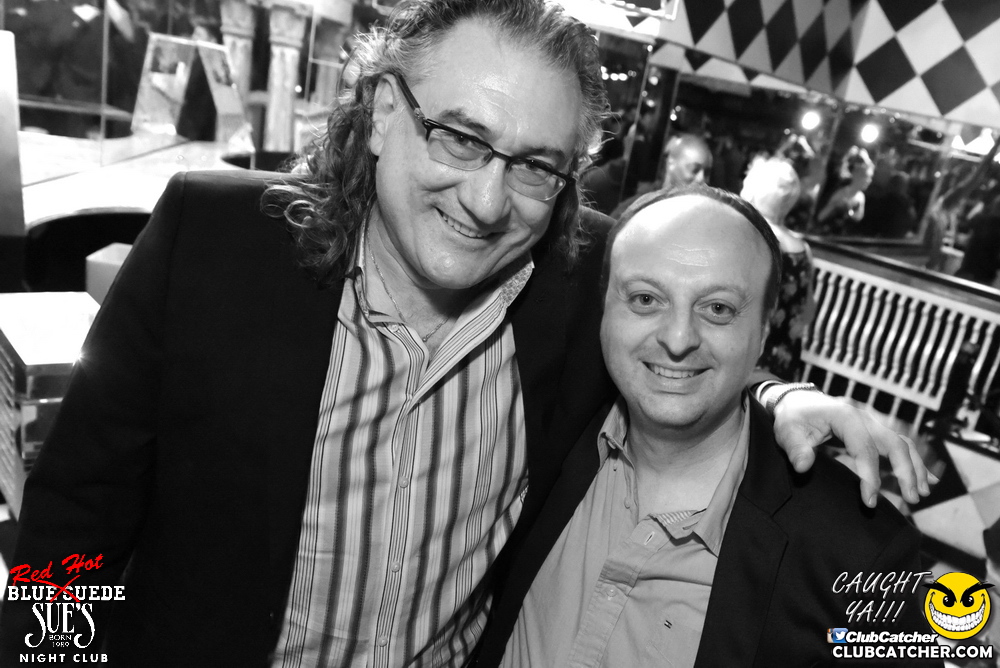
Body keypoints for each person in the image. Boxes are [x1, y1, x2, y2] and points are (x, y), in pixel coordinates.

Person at [0, 0, 928, 665]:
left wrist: (778, 394)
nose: (487, 201)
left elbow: (680, 324)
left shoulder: (575, 281)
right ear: (381, 113)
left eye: (534, 166)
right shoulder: (215, 241)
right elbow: (73, 524)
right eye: (459, 137)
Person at [478, 186, 935, 667]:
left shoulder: (858, 552)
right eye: (645, 299)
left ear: (763, 332)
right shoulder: (553, 411)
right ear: (604, 309)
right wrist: (781, 393)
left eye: (718, 309)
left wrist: (784, 392)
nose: (678, 339)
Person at [740, 156, 815, 381]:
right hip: (786, 363)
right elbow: (808, 312)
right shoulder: (803, 248)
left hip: (750, 360)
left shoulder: (752, 237)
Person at [610, 133, 712, 219]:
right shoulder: (637, 209)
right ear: (671, 164)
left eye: (706, 172)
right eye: (695, 170)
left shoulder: (703, 216)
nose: (701, 178)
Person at [815, 146, 874, 235]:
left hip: (844, 236)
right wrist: (835, 206)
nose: (868, 181)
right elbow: (821, 217)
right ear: (856, 176)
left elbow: (858, 217)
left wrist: (850, 213)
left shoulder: (861, 197)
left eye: (870, 178)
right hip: (828, 233)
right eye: (865, 177)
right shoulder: (842, 192)